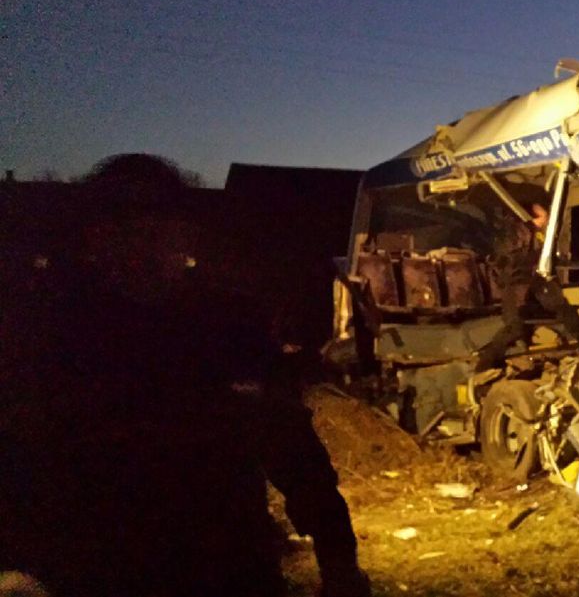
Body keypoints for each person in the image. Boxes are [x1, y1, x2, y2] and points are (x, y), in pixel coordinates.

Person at [0, 155, 369, 597]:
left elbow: (292, 447)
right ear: (93, 241)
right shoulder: (49, 333)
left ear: (185, 234)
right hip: (101, 567)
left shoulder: (228, 326)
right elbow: (20, 453)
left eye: (157, 230)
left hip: (226, 561)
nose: (143, 247)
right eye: (125, 230)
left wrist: (339, 559)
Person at [476, 202, 579, 370]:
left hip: (536, 282)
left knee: (564, 310)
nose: (548, 220)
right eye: (545, 216)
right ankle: (486, 363)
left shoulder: (538, 236)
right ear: (536, 215)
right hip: (516, 285)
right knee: (515, 327)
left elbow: (545, 258)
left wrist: (569, 263)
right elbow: (513, 260)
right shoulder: (517, 234)